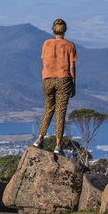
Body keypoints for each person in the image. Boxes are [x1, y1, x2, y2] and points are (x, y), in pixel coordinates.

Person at [33, 18, 77, 155]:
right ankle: (58, 146)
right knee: (60, 112)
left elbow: (44, 60)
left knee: (48, 109)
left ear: (54, 29)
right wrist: (73, 83)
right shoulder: (69, 45)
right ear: (65, 30)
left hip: (47, 79)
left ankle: (39, 139)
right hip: (63, 79)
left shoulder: (46, 44)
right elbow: (71, 66)